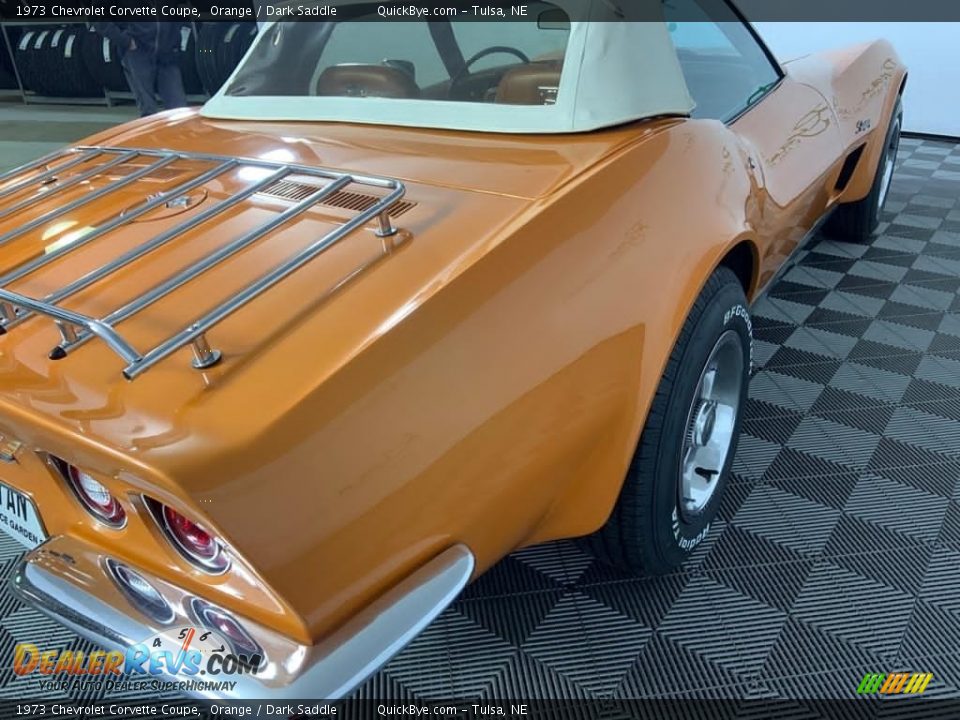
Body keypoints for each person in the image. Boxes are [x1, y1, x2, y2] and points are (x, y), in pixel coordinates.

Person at [93, 21, 188, 117]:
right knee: (148, 110)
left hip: (168, 51)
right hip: (137, 53)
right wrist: (124, 40)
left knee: (179, 109)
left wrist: (175, 40)